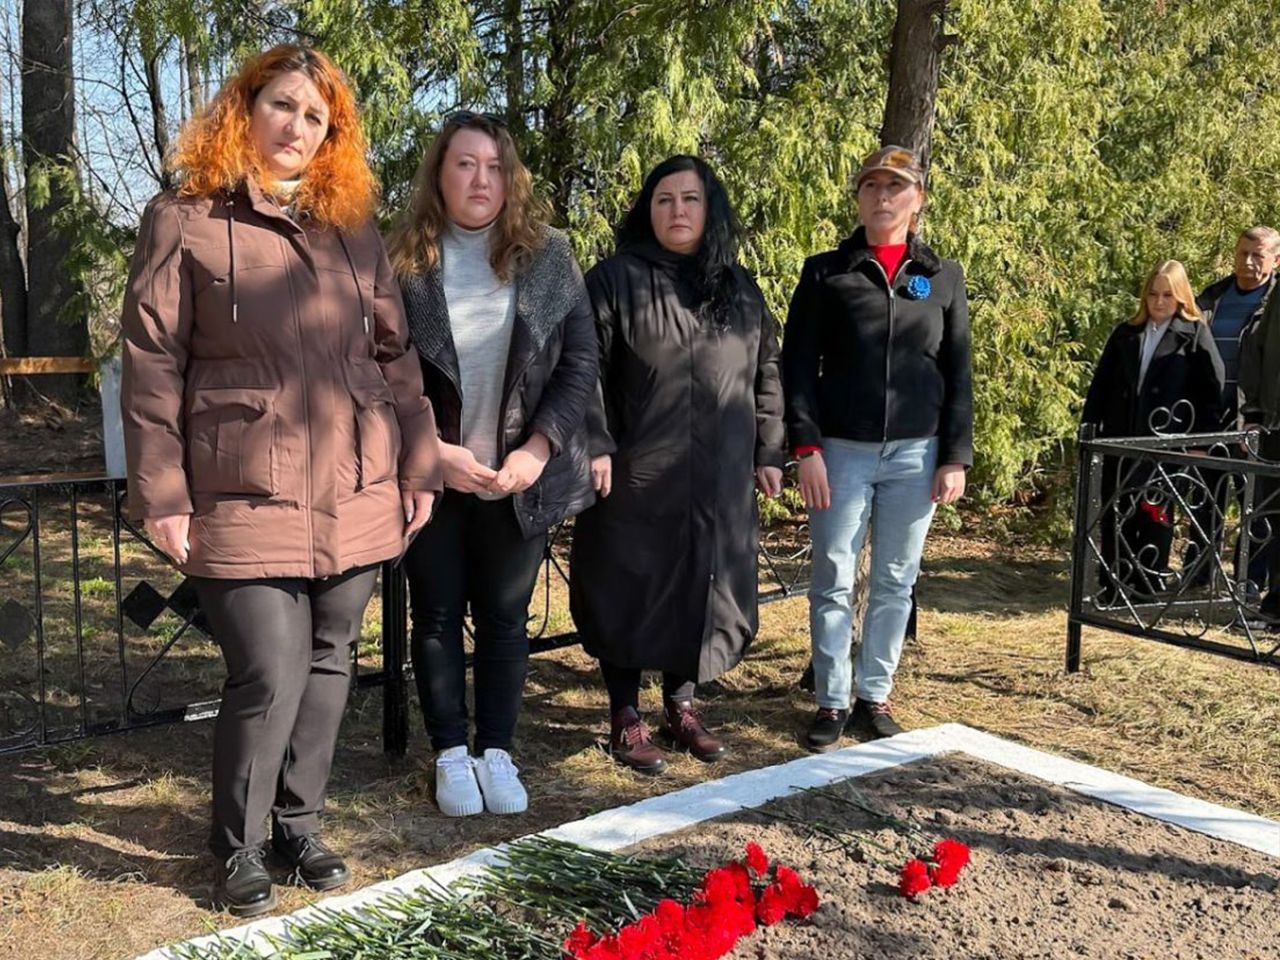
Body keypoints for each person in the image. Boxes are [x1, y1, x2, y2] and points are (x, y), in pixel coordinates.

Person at [120, 45, 441, 917]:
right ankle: (237, 844)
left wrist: (419, 461)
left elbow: (394, 355)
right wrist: (162, 491)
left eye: (316, 117)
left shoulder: (352, 227)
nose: (297, 126)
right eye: (283, 105)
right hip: (241, 487)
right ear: (246, 107)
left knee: (332, 657)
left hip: (356, 485)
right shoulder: (183, 219)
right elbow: (151, 365)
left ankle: (300, 825)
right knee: (269, 666)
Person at [388, 112, 597, 817]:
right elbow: (380, 370)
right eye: (465, 164)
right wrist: (429, 452)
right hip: (435, 477)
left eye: (495, 166)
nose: (481, 179)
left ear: (511, 179)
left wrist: (539, 447)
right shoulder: (402, 263)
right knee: (437, 614)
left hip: (517, 478)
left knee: (506, 618)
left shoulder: (549, 257)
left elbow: (579, 364)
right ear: (439, 175)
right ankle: (451, 751)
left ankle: (497, 750)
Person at [571, 155, 786, 775]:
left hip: (718, 475)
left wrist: (769, 449)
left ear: (709, 209)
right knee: (628, 583)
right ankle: (624, 713)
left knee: (703, 580)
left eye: (690, 199)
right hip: (636, 472)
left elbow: (767, 370)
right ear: (649, 210)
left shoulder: (738, 289)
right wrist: (596, 443)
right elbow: (582, 369)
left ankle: (681, 705)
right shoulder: (615, 280)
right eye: (664, 200)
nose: (678, 211)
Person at [783, 145, 971, 751]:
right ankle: (832, 699)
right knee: (833, 576)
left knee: (895, 579)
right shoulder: (825, 273)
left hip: (917, 454)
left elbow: (958, 369)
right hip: (840, 452)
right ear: (858, 197)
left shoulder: (943, 277)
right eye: (872, 186)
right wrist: (806, 447)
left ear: (918, 200)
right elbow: (796, 367)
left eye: (896, 187)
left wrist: (954, 456)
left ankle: (874, 694)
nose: (883, 197)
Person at [1082, 260, 1225, 599]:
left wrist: (1201, 440)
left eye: (1167, 295)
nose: (1159, 302)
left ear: (1181, 297)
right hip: (1120, 436)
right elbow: (1101, 386)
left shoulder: (1194, 334)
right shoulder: (1126, 333)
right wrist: (1090, 431)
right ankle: (1114, 585)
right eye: (1153, 294)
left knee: (1154, 513)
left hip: (1165, 440)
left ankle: (1147, 585)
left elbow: (1212, 390)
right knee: (1115, 511)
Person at [1188, 227, 1280, 591]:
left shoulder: (1274, 304)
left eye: (1258, 255)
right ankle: (1198, 575)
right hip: (1208, 414)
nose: (1248, 261)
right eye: (1243, 253)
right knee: (1202, 498)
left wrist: (1259, 414)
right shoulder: (1213, 298)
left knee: (1255, 505)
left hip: (1252, 419)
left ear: (1276, 260)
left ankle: (1250, 580)